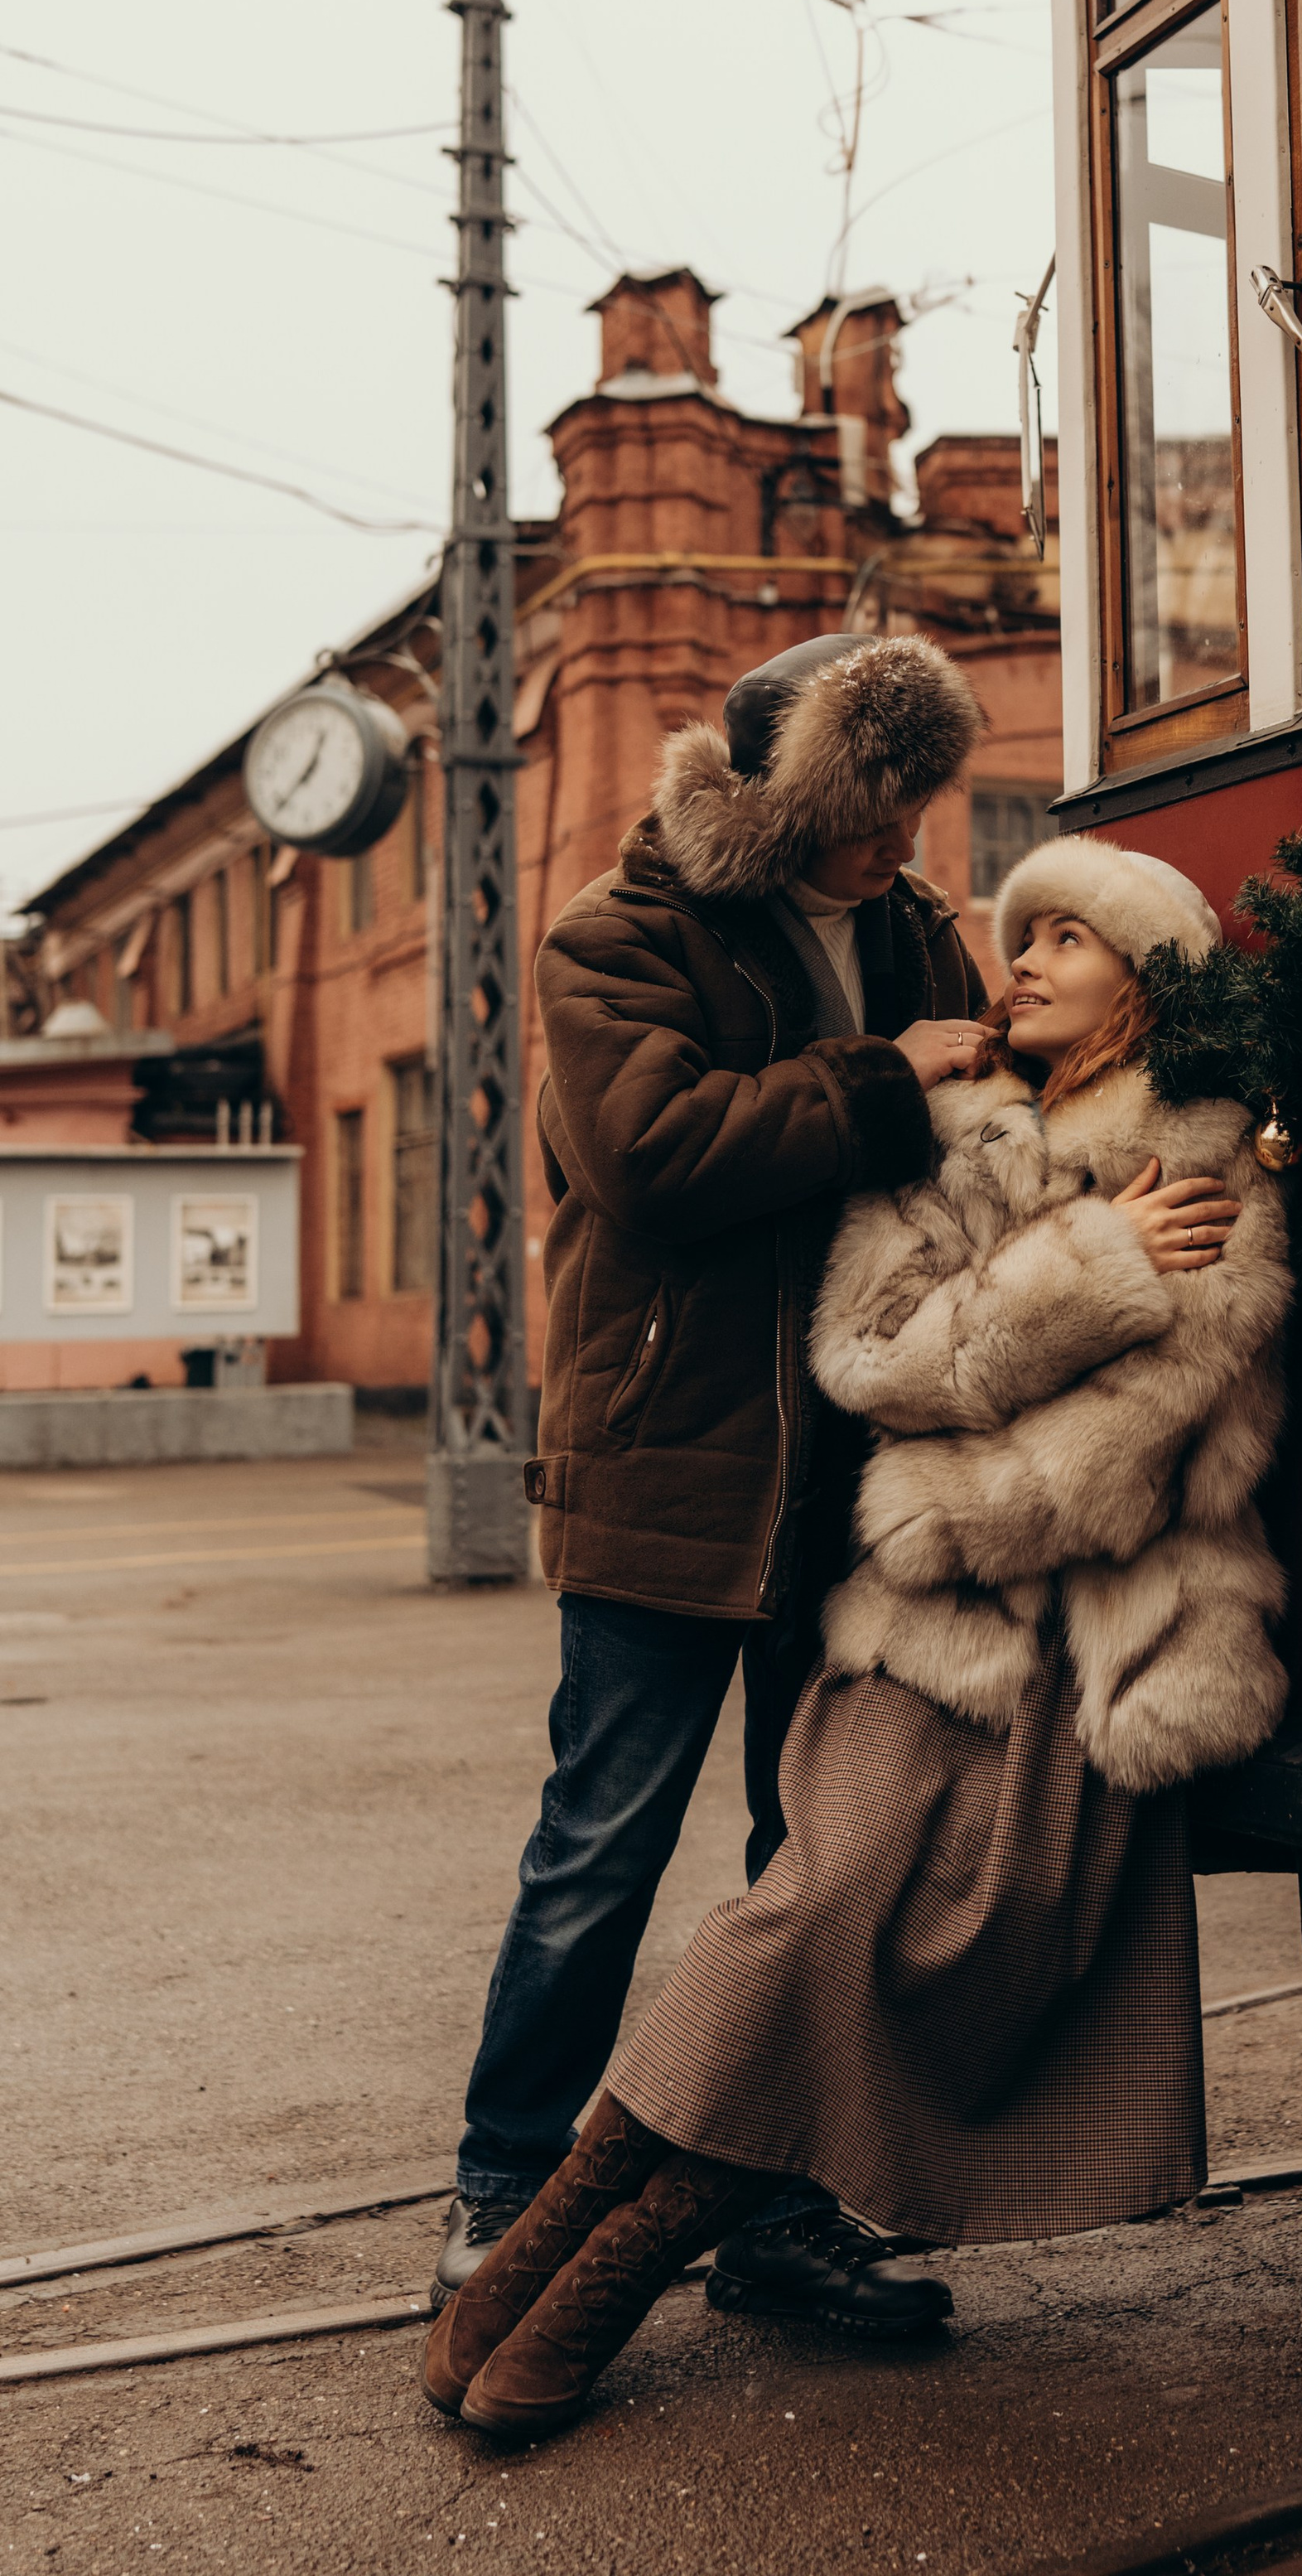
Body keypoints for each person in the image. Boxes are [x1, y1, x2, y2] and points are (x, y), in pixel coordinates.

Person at [422, 834, 1295, 2440]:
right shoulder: (944, 1126)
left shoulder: (1207, 1150)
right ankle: (552, 2228)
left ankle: (600, 2258)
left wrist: (978, 1426)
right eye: (1014, 937)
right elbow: (869, 1358)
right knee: (802, 1916)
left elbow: (1156, 1431)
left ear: (1143, 980)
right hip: (910, 1622)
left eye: (1063, 942)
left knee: (854, 1942)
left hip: (1077, 1649)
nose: (1015, 962)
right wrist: (1089, 1266)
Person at [432, 631, 991, 2329]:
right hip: (672, 1464)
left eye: (913, 805)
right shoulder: (618, 936)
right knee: (599, 1846)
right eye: (869, 806)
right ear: (787, 794)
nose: (899, 842)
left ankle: (770, 2216)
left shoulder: (916, 934)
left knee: (808, 1861)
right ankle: (502, 2189)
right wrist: (894, 1082)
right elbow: (656, 1159)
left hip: (861, 1482)